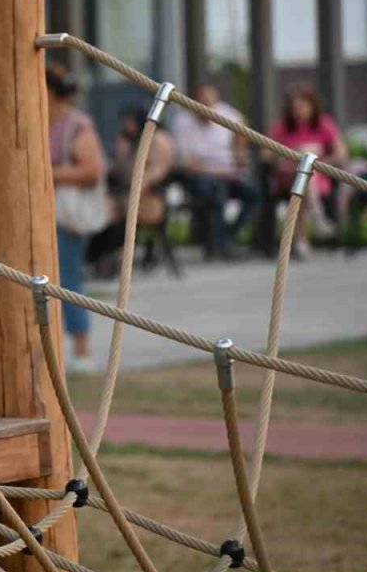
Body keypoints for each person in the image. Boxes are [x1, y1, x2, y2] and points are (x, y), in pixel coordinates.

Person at [46, 65, 105, 374]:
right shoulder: (39, 121)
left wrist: (47, 173)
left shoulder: (77, 126)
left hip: (67, 218)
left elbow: (92, 171)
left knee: (68, 280)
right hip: (45, 216)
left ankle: (82, 351)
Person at [171, 81, 258, 259]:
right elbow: (189, 165)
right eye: (202, 102)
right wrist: (222, 171)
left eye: (211, 103)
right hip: (199, 178)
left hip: (228, 175)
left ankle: (227, 237)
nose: (207, 107)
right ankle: (218, 245)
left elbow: (241, 147)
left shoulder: (229, 116)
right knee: (216, 189)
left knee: (253, 193)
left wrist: (238, 159)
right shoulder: (182, 122)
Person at [88, 106, 177, 276]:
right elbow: (120, 173)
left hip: (150, 201)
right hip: (129, 198)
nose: (125, 126)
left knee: (111, 216)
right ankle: (99, 259)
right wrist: (122, 152)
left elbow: (152, 175)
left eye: (129, 122)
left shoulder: (158, 141)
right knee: (102, 214)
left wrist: (126, 193)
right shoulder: (133, 142)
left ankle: (109, 261)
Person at [269, 84, 349, 259]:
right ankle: (318, 219)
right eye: (294, 107)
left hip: (317, 179)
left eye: (302, 107)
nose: (298, 111)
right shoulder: (283, 126)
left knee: (307, 172)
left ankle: (301, 241)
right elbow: (267, 154)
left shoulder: (323, 123)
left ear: (312, 106)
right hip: (288, 177)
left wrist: (319, 163)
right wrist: (286, 162)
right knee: (305, 172)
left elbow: (341, 153)